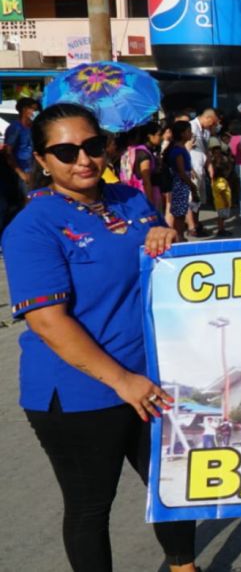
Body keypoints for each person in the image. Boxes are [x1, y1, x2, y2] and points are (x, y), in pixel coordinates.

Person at [1, 103, 197, 572]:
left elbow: (165, 270)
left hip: (154, 377)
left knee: (174, 485)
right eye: (65, 151)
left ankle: (184, 568)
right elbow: (49, 321)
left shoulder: (129, 199)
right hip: (80, 392)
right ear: (42, 160)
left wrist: (167, 235)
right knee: (91, 507)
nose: (83, 159)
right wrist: (122, 381)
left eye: (92, 145)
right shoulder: (32, 227)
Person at [164, 122, 198, 240]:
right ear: (182, 134)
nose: (191, 133)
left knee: (180, 212)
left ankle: (180, 236)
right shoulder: (178, 150)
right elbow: (182, 173)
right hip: (180, 184)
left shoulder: (179, 148)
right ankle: (179, 237)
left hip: (180, 183)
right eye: (188, 131)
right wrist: (193, 185)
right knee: (179, 214)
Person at [118, 122, 163, 206]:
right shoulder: (143, 154)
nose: (162, 138)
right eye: (159, 135)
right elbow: (146, 180)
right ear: (149, 136)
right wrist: (150, 202)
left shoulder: (131, 151)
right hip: (147, 196)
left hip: (132, 194)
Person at [4, 97, 38, 195]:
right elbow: (8, 152)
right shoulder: (15, 128)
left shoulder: (32, 127)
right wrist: (20, 173)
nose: (36, 113)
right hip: (23, 171)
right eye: (34, 110)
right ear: (25, 110)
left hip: (33, 169)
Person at [208, 146, 235, 238]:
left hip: (219, 202)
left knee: (221, 217)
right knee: (221, 217)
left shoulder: (216, 180)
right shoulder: (221, 181)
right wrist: (226, 202)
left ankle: (221, 228)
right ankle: (221, 229)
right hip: (222, 203)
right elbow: (222, 192)